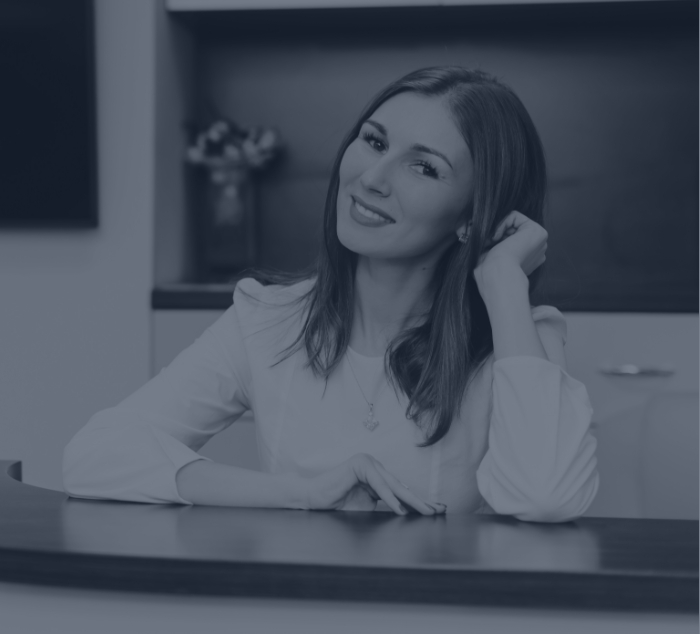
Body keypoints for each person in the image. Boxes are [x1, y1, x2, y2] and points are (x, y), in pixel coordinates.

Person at [63, 66, 599, 522]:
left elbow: (546, 495)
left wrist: (504, 281)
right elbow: (94, 455)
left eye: (424, 166)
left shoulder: (515, 342)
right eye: (374, 141)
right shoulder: (269, 320)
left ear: (472, 215)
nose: (372, 177)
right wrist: (302, 493)